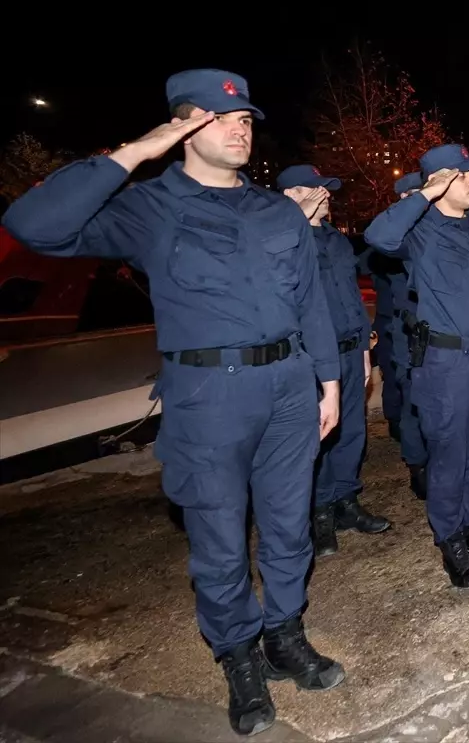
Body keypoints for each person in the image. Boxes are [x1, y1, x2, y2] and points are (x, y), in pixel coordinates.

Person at [1, 69, 345, 736]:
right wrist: (137, 150)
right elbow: (32, 224)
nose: (240, 131)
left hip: (288, 388)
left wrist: (327, 381)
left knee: (288, 525)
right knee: (218, 535)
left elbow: (310, 301)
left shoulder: (276, 210)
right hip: (208, 395)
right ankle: (238, 654)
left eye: (245, 120)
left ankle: (284, 635)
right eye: (221, 119)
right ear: (183, 126)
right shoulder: (150, 206)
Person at [364, 144, 469, 590]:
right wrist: (423, 195)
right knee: (450, 454)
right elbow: (378, 236)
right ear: (441, 181)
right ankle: (450, 538)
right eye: (465, 175)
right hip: (445, 362)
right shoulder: (419, 230)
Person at [277, 165, 390, 556]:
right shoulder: (283, 240)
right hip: (311, 357)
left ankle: (346, 500)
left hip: (349, 350)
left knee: (352, 430)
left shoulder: (336, 240)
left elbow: (352, 300)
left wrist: (364, 350)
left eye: (326, 188)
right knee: (319, 435)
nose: (325, 194)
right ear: (291, 194)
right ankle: (319, 511)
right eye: (315, 188)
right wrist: (295, 220)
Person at [364, 173, 429, 499]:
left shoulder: (434, 229)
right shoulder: (395, 235)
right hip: (409, 332)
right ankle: (418, 466)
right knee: (413, 402)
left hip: (440, 331)